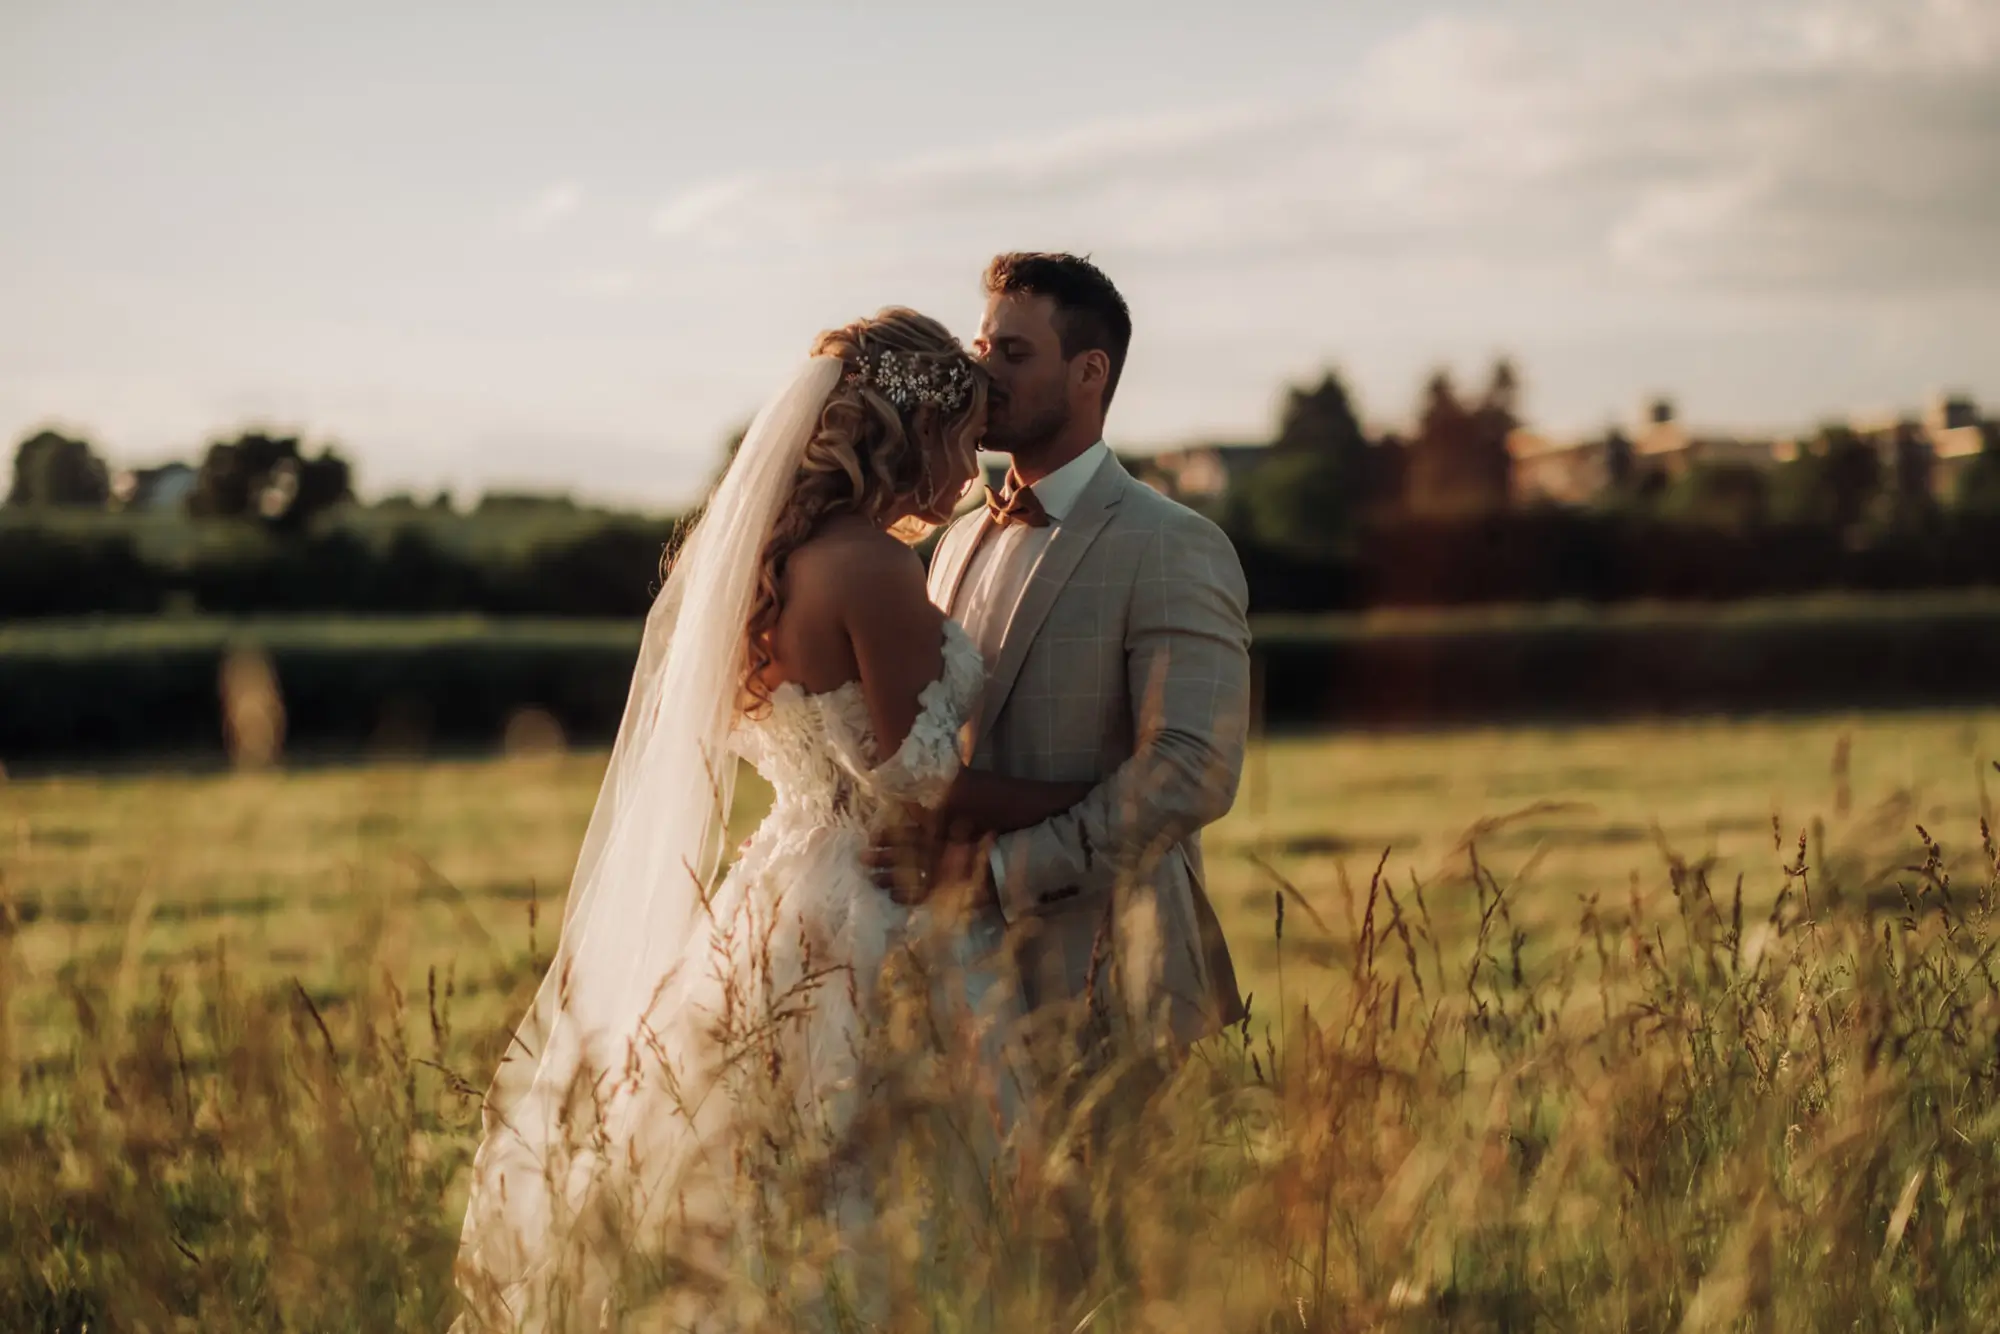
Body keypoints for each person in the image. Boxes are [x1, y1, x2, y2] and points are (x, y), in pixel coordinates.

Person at [452, 308, 1090, 1332]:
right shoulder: (871, 567)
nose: (973, 466)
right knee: (891, 1171)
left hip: (773, 889)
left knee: (758, 1168)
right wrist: (1086, 784)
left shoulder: (759, 562)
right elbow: (920, 775)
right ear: (907, 432)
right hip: (870, 890)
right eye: (962, 436)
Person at [923, 252, 1250, 1055]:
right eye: (980, 347)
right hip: (957, 986)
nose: (983, 372)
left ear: (1089, 372)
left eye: (1014, 353)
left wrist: (1000, 880)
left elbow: (1189, 768)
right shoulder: (955, 539)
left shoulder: (1172, 543)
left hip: (1113, 978)